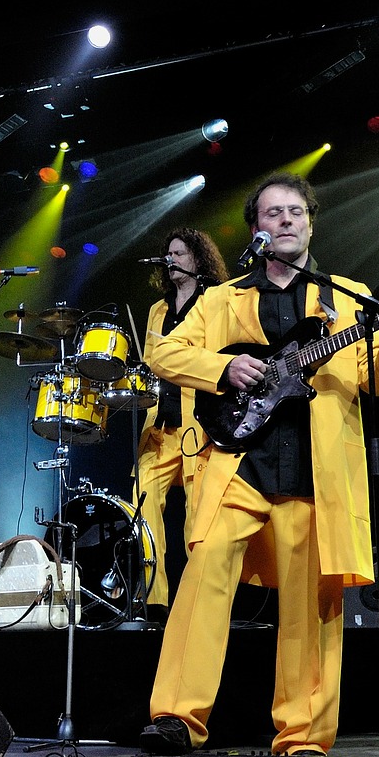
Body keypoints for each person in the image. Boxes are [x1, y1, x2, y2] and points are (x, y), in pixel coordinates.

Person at [139, 172, 379, 757]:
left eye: (296, 211)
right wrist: (222, 370)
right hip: (236, 463)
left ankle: (302, 738)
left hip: (313, 472)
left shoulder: (347, 297)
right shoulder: (222, 299)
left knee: (310, 609)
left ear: (310, 224)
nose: (286, 220)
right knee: (203, 576)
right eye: (273, 213)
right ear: (257, 228)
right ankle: (176, 717)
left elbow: (375, 378)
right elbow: (162, 352)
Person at [134, 226, 228, 623]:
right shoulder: (158, 310)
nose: (171, 260)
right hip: (160, 428)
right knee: (141, 501)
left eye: (179, 253)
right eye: (168, 254)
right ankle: (154, 599)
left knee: (197, 518)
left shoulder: (216, 300)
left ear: (198, 259)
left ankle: (196, 603)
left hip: (198, 426)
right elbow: (151, 362)